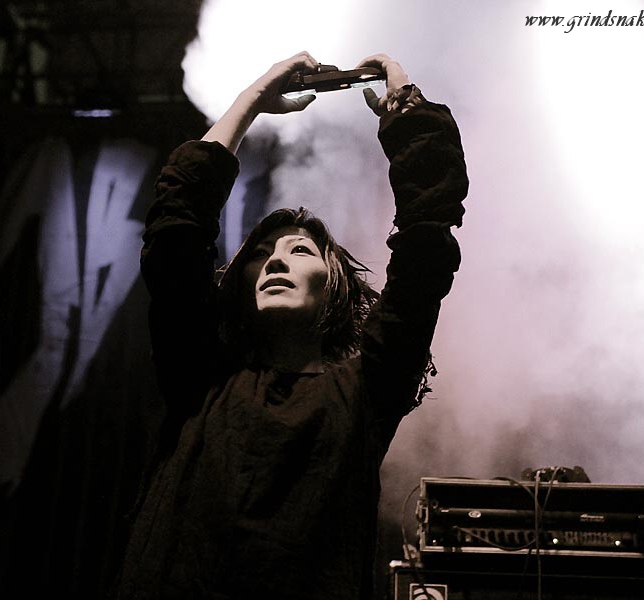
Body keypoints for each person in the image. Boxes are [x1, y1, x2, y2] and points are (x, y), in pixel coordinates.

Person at [114, 51, 468, 599]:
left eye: (299, 250)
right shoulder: (201, 376)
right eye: (261, 254)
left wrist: (404, 103)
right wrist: (252, 98)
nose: (275, 261)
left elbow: (426, 239)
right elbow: (176, 228)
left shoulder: (368, 389)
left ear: (334, 283)